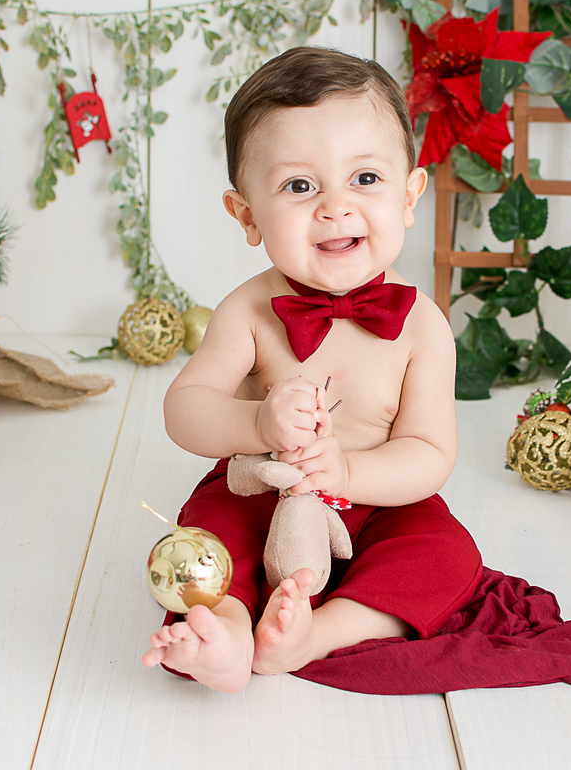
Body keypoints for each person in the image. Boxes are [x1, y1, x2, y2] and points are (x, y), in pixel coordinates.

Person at [140, 46, 482, 692]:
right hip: (263, 491)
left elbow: (431, 451)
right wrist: (257, 420)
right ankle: (231, 629)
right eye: (300, 186)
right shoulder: (248, 310)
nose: (335, 206)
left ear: (410, 195)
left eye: (366, 179)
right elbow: (184, 409)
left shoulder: (422, 325)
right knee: (211, 535)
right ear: (245, 215)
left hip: (376, 502)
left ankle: (314, 634)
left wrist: (351, 472)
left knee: (445, 552)